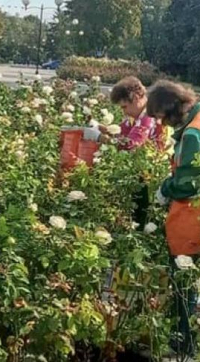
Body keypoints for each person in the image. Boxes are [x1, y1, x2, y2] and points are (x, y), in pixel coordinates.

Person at [147, 81, 200, 359]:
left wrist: (166, 188)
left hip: (191, 219)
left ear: (171, 109)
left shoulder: (192, 134)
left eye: (160, 117)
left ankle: (184, 346)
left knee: (184, 285)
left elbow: (188, 185)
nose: (162, 124)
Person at [84, 76, 167, 229]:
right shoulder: (136, 116)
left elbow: (130, 144)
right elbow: (122, 132)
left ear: (136, 98)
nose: (124, 111)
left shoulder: (148, 117)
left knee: (143, 214)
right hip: (141, 171)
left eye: (124, 107)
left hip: (150, 176)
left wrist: (99, 137)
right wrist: (98, 126)